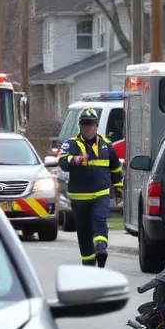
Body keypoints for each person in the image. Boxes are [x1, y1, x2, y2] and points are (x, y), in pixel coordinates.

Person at [58, 108, 123, 267]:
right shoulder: (71, 144)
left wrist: (119, 191)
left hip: (101, 195)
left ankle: (101, 249)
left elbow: (115, 169)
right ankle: (88, 265)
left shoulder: (106, 145)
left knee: (100, 221)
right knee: (84, 233)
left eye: (90, 124)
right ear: (80, 126)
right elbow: (62, 162)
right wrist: (76, 160)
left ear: (96, 125)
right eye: (84, 124)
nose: (87, 127)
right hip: (79, 199)